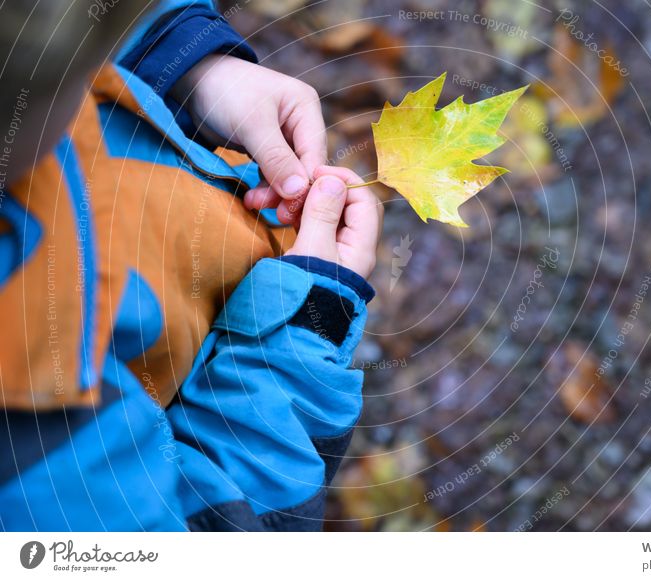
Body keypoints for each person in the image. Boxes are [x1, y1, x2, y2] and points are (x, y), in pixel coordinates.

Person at [0, 0, 382, 531]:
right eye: (73, 82)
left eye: (93, 61)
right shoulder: (32, 432)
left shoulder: (28, 94)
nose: (89, 87)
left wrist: (186, 63)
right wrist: (303, 330)